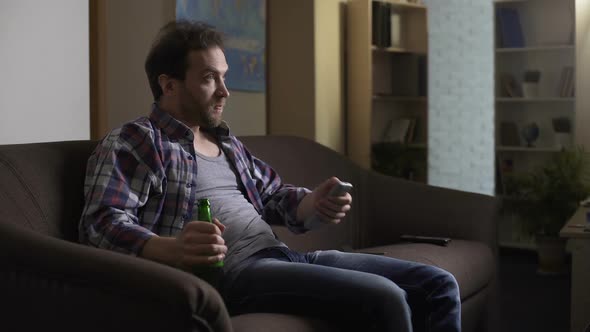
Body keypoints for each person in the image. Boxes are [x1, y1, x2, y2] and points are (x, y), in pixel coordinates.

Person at [79, 20, 461, 332]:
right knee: (386, 296)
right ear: (169, 84)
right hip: (235, 274)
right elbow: (100, 223)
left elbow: (275, 196)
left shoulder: (226, 143)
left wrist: (314, 202)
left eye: (224, 77)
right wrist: (173, 249)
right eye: (210, 78)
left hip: (286, 255)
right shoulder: (138, 140)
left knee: (437, 285)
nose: (225, 91)